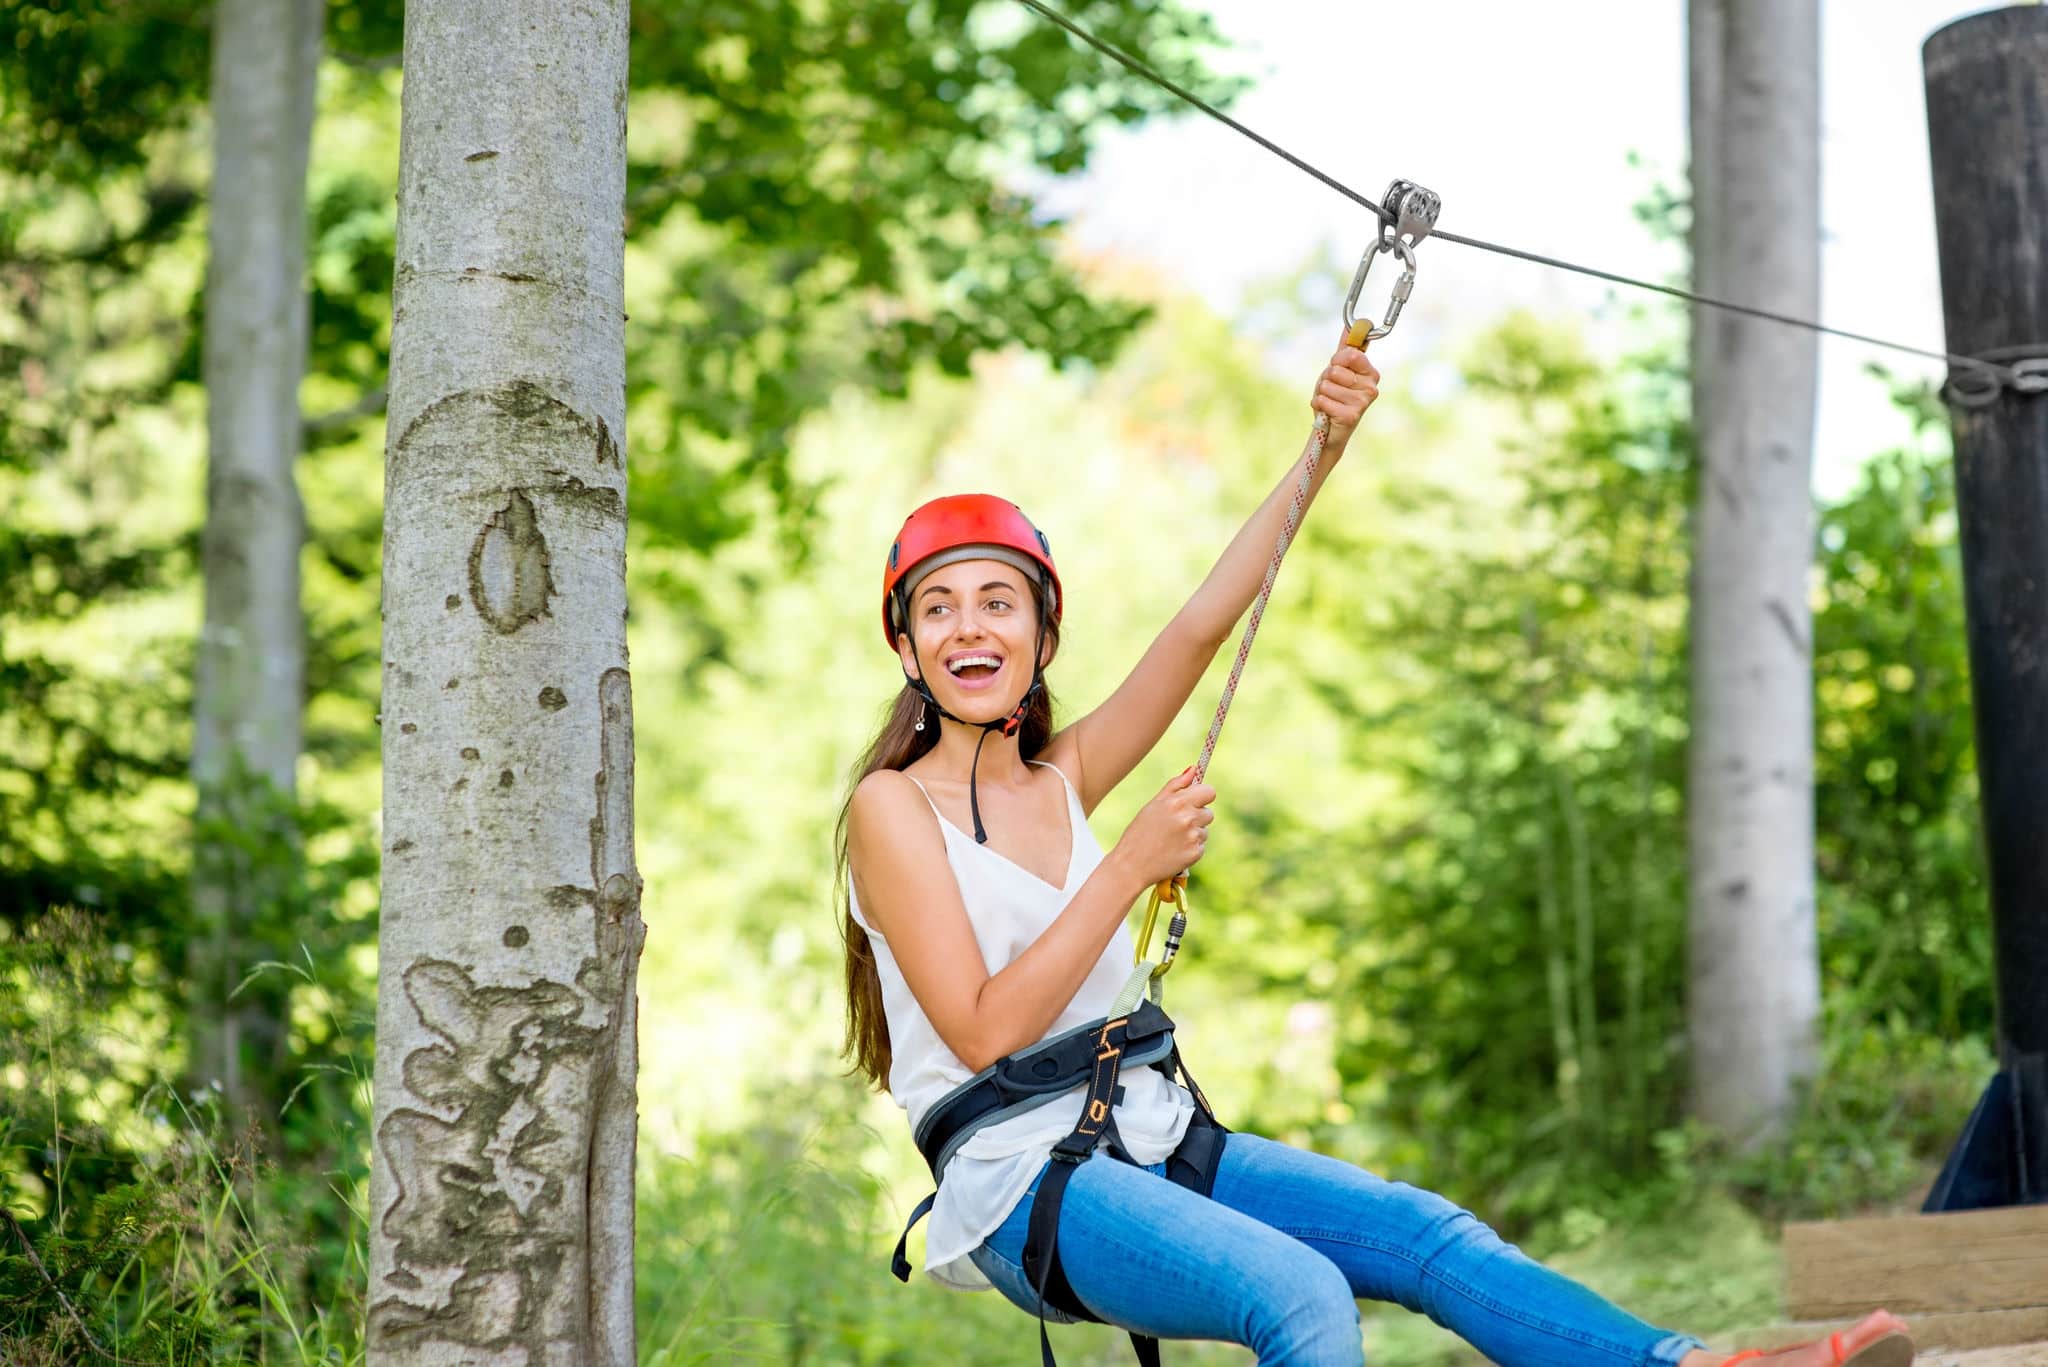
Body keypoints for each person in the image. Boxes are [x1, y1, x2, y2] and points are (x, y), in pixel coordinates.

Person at [833, 336, 1913, 1367]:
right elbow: (982, 1030)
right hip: (1023, 1182)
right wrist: (1126, 868)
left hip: (1149, 1133)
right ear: (905, 645)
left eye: (995, 602)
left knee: (1423, 1233)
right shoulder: (891, 807)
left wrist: (1321, 449)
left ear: (1041, 634)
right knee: (1296, 1292)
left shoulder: (1061, 777)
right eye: (937, 608)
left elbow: (1201, 623)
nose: (968, 627)